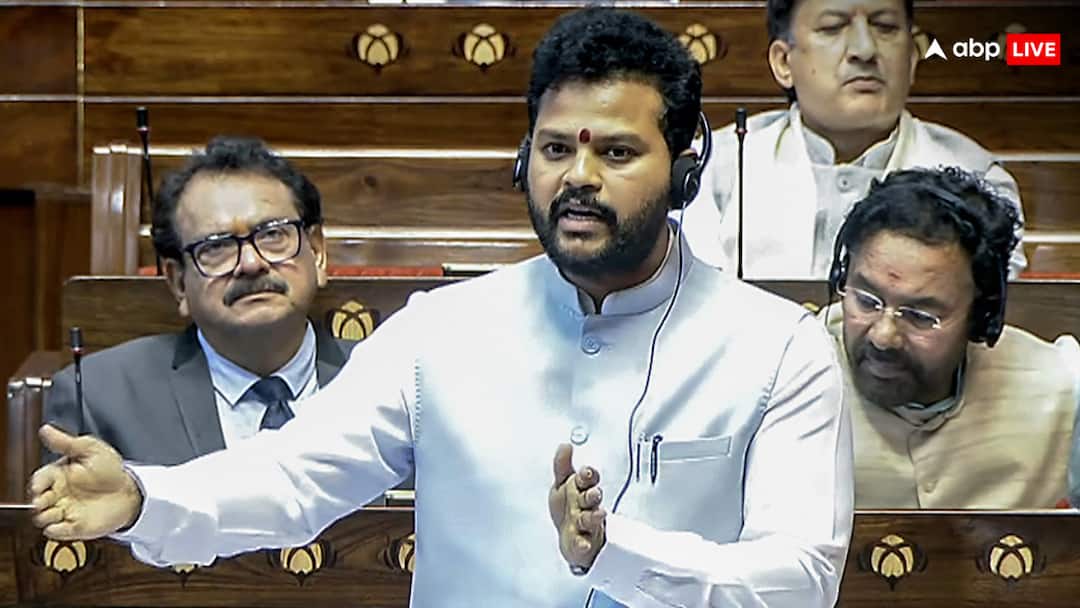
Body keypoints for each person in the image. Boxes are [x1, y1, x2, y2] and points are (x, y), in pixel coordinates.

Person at [29, 9, 853, 607]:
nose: (579, 177)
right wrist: (146, 497)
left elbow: (801, 580)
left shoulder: (779, 349)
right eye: (556, 149)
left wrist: (619, 551)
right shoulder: (442, 331)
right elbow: (293, 475)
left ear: (685, 169)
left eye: (618, 151)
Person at [43, 137, 356, 465]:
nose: (251, 263)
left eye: (272, 234)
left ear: (317, 253)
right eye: (216, 246)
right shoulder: (100, 398)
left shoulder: (386, 379)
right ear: (179, 282)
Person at [680, 0, 1027, 279]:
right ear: (784, 62)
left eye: (885, 27)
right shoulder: (715, 168)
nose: (864, 49)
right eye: (833, 28)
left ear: (912, 57)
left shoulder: (977, 182)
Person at [824, 166, 1078, 508]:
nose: (883, 336)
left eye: (920, 316)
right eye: (867, 301)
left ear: (981, 317)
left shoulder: (1062, 388)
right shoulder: (790, 375)